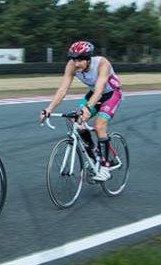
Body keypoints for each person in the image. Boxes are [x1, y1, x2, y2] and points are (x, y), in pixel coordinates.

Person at [39, 41, 123, 182]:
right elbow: (63, 90)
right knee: (75, 119)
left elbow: (99, 90)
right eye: (74, 59)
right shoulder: (72, 66)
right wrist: (49, 109)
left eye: (80, 60)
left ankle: (105, 167)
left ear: (88, 58)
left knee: (99, 125)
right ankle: (95, 153)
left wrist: (88, 108)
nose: (76, 64)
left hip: (110, 94)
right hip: (93, 94)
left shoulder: (102, 64)